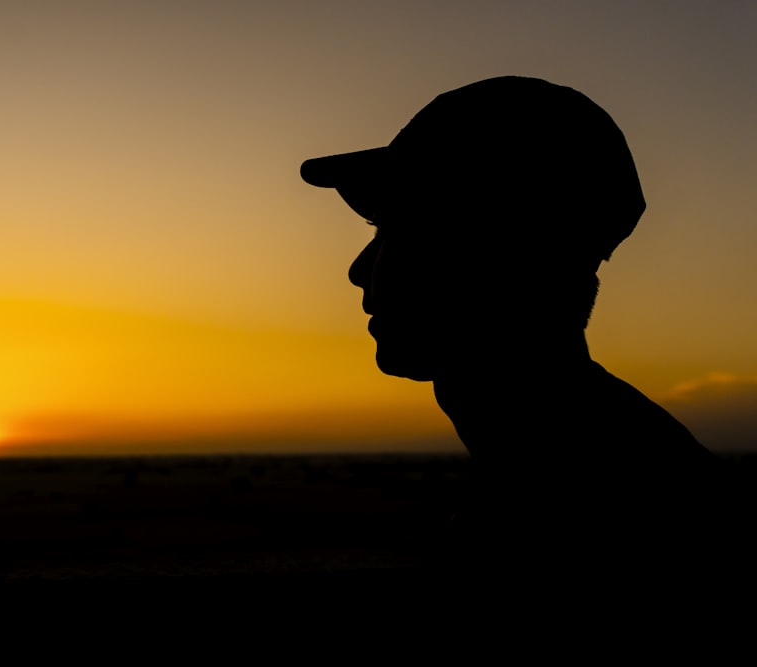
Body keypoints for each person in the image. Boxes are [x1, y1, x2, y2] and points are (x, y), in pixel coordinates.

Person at [300, 77, 721, 548]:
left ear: (490, 252)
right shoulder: (599, 469)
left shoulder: (577, 510)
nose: (358, 270)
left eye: (393, 231)